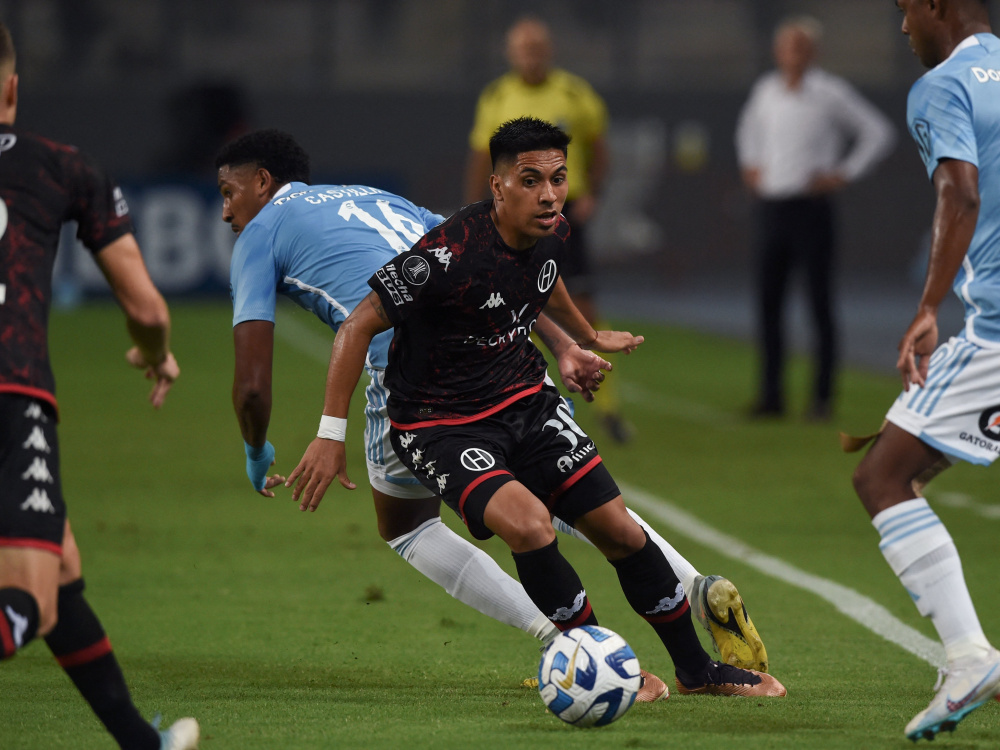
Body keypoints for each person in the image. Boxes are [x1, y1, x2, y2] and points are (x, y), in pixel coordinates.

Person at [216, 128, 771, 699]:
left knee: (411, 526)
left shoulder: (260, 235)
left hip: (419, 382)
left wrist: (266, 449)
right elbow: (489, 274)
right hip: (502, 360)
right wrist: (563, 343)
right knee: (570, 509)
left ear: (262, 182)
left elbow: (255, 385)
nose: (227, 212)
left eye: (229, 193)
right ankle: (689, 585)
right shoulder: (374, 195)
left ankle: (571, 647)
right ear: (502, 186)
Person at [0, 22, 198, 750]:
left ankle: (142, 747)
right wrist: (156, 353)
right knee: (27, 600)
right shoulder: (61, 165)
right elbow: (146, 307)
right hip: (11, 392)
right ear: (14, 88)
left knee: (62, 570)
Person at [847, 0, 1000, 741]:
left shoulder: (944, 84)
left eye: (906, 9)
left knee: (883, 476)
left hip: (997, 330)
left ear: (937, 5)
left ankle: (970, 655)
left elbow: (960, 190)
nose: (902, 26)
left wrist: (928, 306)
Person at [464, 16, 632, 443]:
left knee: (582, 307)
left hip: (565, 213)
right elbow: (480, 156)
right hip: (511, 216)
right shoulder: (497, 96)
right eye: (523, 49)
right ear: (511, 53)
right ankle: (531, 404)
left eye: (537, 48)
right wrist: (476, 210)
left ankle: (608, 408)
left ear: (548, 51)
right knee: (515, 306)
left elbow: (599, 146)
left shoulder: (574, 93)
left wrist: (593, 192)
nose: (530, 56)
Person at [736, 16, 896, 420]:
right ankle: (771, 396)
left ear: (813, 53)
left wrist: (844, 173)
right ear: (778, 52)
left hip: (811, 209)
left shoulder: (829, 92)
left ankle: (821, 399)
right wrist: (751, 165)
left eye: (801, 47)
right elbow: (748, 132)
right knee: (768, 305)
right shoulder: (766, 90)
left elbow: (877, 131)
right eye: (788, 46)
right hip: (772, 207)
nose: (793, 54)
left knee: (819, 304)